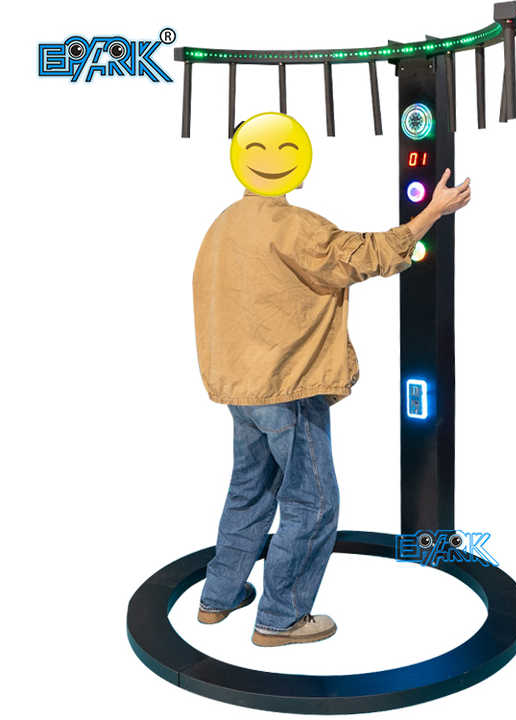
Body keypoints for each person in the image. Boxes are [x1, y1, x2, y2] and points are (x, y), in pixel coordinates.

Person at [192, 113, 471, 646]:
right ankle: (281, 619)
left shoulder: (224, 223)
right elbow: (367, 256)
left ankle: (217, 598)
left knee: (250, 491)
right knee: (313, 502)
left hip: (241, 386)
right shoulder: (293, 226)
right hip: (288, 386)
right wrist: (433, 211)